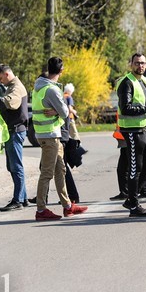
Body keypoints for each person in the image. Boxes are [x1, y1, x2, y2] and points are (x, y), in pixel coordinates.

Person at [30, 58, 87, 221]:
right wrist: (60, 110)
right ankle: (41, 210)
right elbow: (64, 113)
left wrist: (57, 110)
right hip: (50, 136)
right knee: (47, 173)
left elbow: (58, 110)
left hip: (46, 134)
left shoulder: (38, 87)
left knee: (60, 169)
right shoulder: (52, 90)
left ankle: (68, 206)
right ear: (61, 71)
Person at [116, 53, 146, 217]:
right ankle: (134, 205)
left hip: (145, 129)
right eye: (137, 63)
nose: (140, 66)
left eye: (142, 63)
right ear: (131, 64)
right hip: (132, 130)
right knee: (135, 168)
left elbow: (145, 105)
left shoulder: (143, 82)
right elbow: (125, 108)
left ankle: (131, 196)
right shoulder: (127, 83)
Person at [0, 65, 30, 211]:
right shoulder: (13, 86)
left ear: (7, 74)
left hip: (15, 131)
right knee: (13, 165)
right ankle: (23, 197)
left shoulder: (16, 87)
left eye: (1, 78)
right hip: (13, 131)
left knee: (16, 166)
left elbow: (9, 102)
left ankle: (18, 200)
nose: (0, 81)